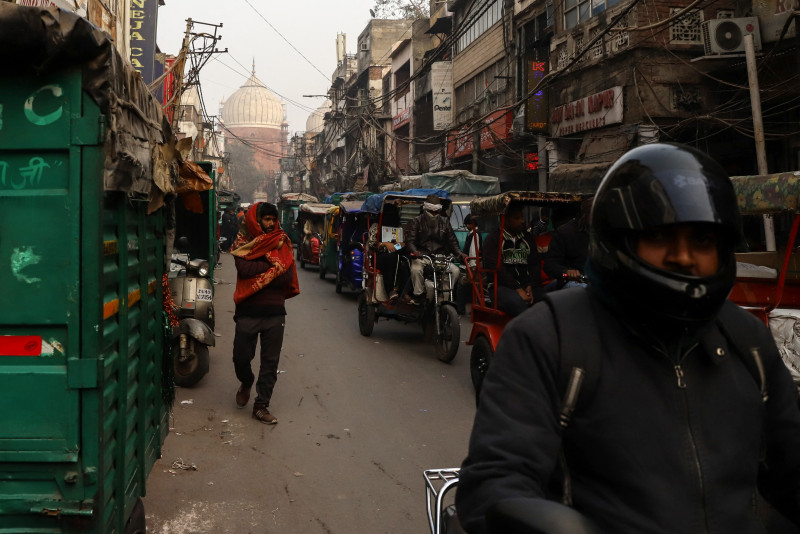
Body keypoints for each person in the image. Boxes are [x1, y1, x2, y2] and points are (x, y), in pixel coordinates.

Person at [456, 143, 800, 534]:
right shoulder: (548, 339)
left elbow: (790, 466)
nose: (684, 257)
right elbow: (496, 482)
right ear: (617, 240)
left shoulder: (748, 341)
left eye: (702, 242)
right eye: (659, 237)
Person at [229, 202, 300, 424]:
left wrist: (261, 265)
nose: (270, 223)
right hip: (248, 310)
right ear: (256, 220)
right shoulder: (243, 241)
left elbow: (287, 277)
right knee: (240, 357)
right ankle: (247, 381)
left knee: (270, 362)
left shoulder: (282, 240)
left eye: (272, 219)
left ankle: (261, 406)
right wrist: (273, 267)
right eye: (266, 219)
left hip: (275, 311)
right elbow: (244, 269)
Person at [481, 204, 543, 316]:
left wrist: (530, 286)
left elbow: (535, 264)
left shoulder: (528, 238)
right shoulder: (493, 239)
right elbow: (497, 268)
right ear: (505, 219)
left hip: (527, 286)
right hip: (501, 288)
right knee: (519, 303)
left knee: (549, 300)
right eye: (517, 218)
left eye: (522, 217)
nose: (522, 221)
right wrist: (518, 289)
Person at [405, 194, 465, 304]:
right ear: (425, 209)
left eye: (435, 212)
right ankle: (419, 294)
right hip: (423, 256)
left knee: (456, 271)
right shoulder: (416, 221)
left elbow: (453, 241)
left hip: (441, 256)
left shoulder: (445, 222)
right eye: (431, 211)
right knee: (416, 269)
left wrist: (460, 254)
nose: (433, 214)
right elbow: (410, 241)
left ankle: (446, 294)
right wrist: (415, 252)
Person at [543, 197, 592, 288]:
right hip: (573, 282)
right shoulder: (565, 232)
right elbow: (549, 266)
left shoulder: (605, 232)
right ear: (584, 214)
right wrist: (566, 273)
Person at [367, 203, 405, 301]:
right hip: (380, 256)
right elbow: (371, 244)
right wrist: (384, 244)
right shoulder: (376, 226)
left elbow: (398, 245)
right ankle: (391, 290)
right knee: (393, 259)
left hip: (396, 253)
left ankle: (406, 292)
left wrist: (399, 245)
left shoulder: (399, 227)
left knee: (407, 261)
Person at [456, 214, 482, 315]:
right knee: (467, 288)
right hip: (467, 265)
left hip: (469, 265)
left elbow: (473, 252)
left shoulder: (475, 234)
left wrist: (472, 266)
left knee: (464, 287)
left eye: (467, 224)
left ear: (472, 224)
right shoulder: (471, 234)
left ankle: (461, 309)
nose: (466, 226)